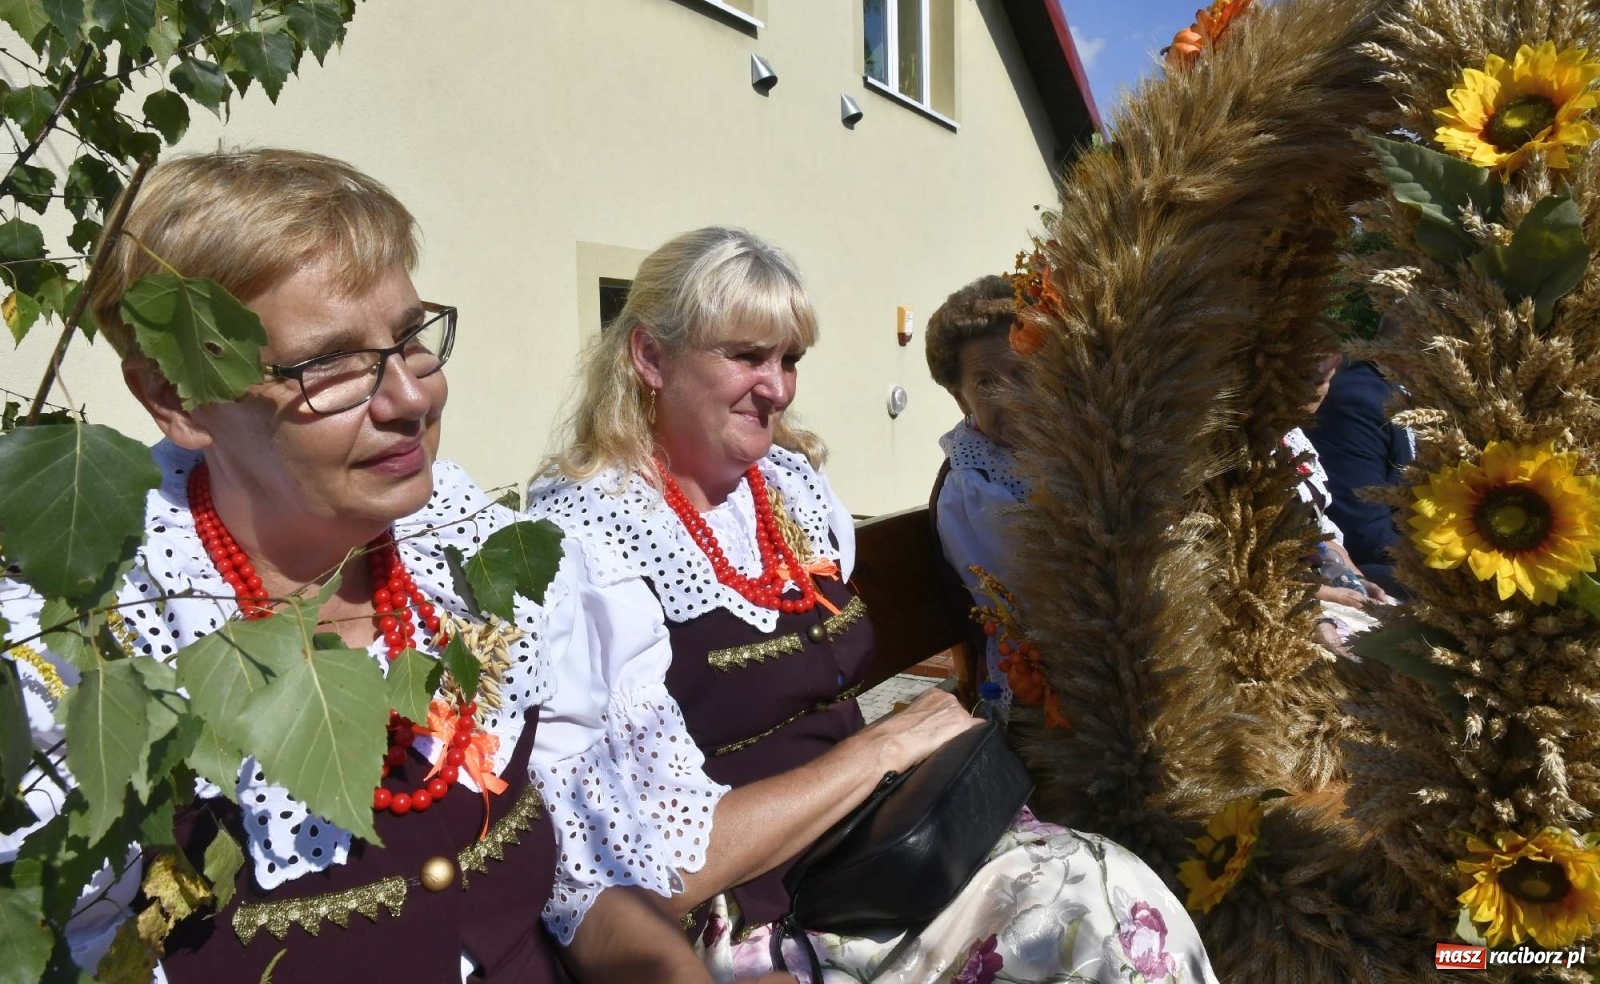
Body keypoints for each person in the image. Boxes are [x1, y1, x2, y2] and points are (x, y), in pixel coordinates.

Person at [0, 153, 792, 984]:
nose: (412, 397)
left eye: (411, 338)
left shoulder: (469, 562)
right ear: (179, 400)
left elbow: (581, 883)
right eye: (332, 363)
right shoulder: (93, 663)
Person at [528, 227, 1220, 983]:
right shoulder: (590, 546)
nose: (779, 387)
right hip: (768, 912)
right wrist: (881, 749)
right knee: (1100, 914)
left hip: (883, 843)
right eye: (746, 356)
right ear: (650, 358)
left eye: (789, 359)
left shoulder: (786, 491)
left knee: (1114, 895)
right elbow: (648, 869)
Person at [922, 275, 1027, 709]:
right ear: (960, 399)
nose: (1013, 397)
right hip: (1041, 693)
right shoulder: (972, 487)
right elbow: (1040, 606)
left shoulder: (1065, 448)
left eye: (1025, 372)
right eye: (985, 383)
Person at [1306, 338, 1414, 596]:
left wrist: (1349, 575)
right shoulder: (1360, 399)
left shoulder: (1419, 401)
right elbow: (1366, 532)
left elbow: (1325, 532)